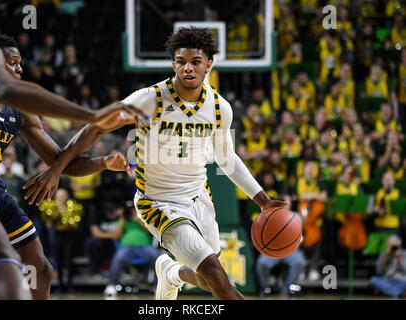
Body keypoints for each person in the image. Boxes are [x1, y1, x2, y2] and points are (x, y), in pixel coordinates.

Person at [24, 27, 288, 300]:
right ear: (173, 63)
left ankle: (170, 273)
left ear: (208, 64)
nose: (187, 68)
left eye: (195, 62)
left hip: (199, 197)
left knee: (208, 278)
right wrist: (56, 168)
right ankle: (171, 272)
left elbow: (226, 159)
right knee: (219, 280)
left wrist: (263, 201)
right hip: (159, 203)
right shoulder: (150, 99)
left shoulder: (220, 108)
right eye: (181, 61)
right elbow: (96, 128)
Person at [0, 0, 144, 300]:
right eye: (11, 63)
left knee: (40, 269)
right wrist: (93, 116)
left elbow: (63, 162)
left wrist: (103, 162)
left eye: (20, 63)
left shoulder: (20, 111)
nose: (19, 69)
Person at [103, 205, 160, 298]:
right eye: (130, 210)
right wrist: (122, 219)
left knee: (156, 257)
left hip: (144, 246)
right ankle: (111, 286)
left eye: (134, 209)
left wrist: (138, 219)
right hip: (127, 247)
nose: (131, 212)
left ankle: (158, 287)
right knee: (118, 258)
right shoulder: (122, 220)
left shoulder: (144, 219)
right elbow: (116, 235)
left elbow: (152, 232)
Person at [256, 196, 307, 297]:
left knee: (300, 261)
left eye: (289, 202)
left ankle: (286, 288)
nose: (287, 204)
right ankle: (266, 288)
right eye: (284, 202)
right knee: (261, 263)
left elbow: (300, 237)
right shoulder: (269, 216)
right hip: (273, 250)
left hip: (291, 250)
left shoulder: (297, 216)